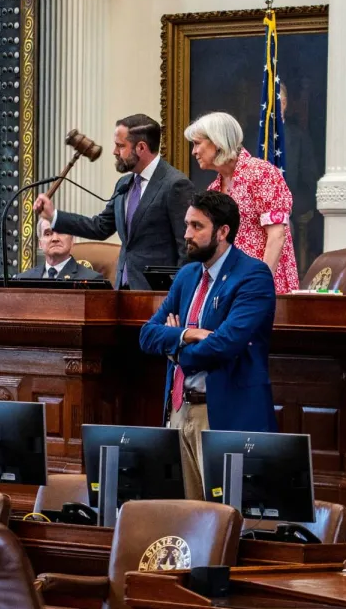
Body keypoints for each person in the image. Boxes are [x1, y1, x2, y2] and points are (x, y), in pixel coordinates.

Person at [139, 191, 277, 499]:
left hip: (222, 414)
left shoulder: (253, 276)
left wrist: (174, 351)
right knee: (183, 515)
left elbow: (224, 345)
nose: (187, 234)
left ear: (222, 232)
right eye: (187, 225)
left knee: (224, 513)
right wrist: (187, 335)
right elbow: (147, 335)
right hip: (178, 411)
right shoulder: (187, 275)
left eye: (197, 226)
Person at [34, 114, 194, 290]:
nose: (114, 152)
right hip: (121, 291)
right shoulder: (124, 184)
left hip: (158, 294)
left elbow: (187, 247)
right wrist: (54, 216)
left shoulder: (175, 184)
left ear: (141, 147)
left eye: (120, 146)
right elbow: (100, 227)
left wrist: (178, 293)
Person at [185, 112, 299, 294]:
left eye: (197, 143)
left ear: (217, 141)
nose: (194, 151)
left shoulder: (261, 173)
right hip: (229, 286)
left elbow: (277, 235)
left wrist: (260, 283)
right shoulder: (214, 188)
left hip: (264, 286)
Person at [16, 218, 106, 281]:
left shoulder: (92, 280)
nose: (55, 239)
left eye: (61, 232)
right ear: (40, 244)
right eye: (48, 234)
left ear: (72, 240)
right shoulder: (22, 279)